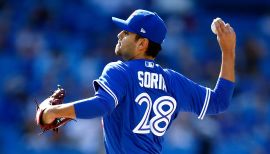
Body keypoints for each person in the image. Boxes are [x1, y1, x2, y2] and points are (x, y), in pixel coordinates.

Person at [40, 9, 236, 153]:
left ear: (142, 43)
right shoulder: (173, 81)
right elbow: (220, 102)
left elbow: (102, 105)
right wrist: (228, 51)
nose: (119, 34)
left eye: (126, 33)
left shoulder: (119, 71)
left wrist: (53, 112)